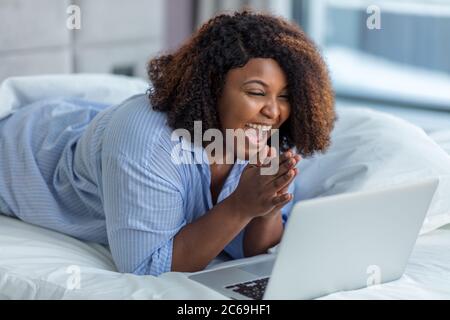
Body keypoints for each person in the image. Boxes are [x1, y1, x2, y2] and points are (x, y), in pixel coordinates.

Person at [0, 11, 335, 276]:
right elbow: (147, 268)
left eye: (286, 97)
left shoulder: (259, 136)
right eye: (256, 92)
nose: (274, 111)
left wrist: (266, 207)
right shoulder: (146, 141)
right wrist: (240, 206)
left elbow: (253, 251)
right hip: (21, 153)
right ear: (212, 87)